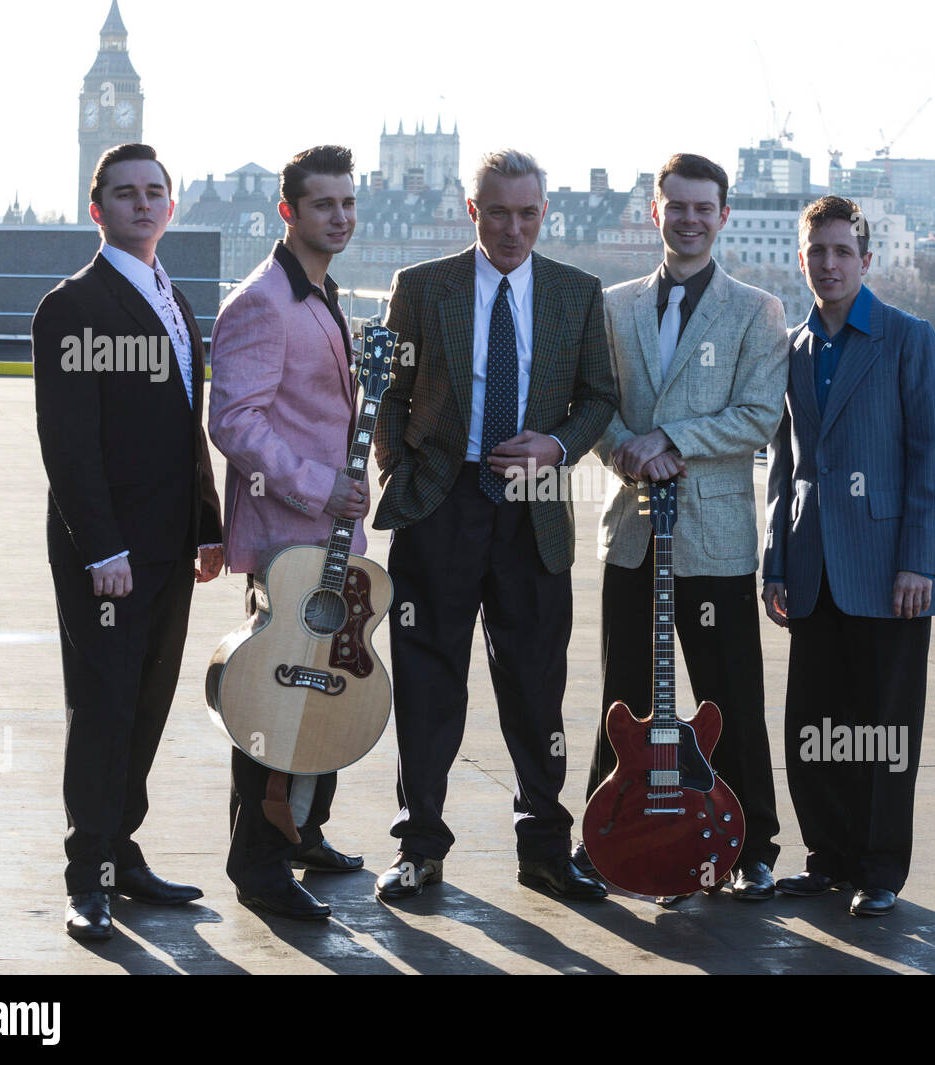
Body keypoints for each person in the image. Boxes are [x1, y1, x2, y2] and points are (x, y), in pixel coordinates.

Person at [372, 149, 616, 901]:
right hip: (441, 506)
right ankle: (420, 847)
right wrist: (398, 471)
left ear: (546, 212)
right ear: (471, 210)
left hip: (532, 514)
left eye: (528, 213)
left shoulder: (577, 293)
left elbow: (599, 399)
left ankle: (545, 846)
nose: (514, 228)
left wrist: (557, 446)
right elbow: (392, 391)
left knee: (537, 688)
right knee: (427, 684)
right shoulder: (423, 287)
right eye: (499, 212)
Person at [576, 153, 788, 900]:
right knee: (624, 694)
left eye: (705, 207)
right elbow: (594, 404)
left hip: (713, 536)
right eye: (678, 206)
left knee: (730, 694)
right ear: (655, 211)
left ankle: (754, 843)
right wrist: (627, 451)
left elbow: (760, 415)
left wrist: (669, 439)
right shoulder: (613, 305)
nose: (690, 219)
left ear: (723, 215)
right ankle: (604, 834)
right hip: (632, 529)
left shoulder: (758, 310)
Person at [32, 143, 223, 941]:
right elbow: (67, 442)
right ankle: (89, 876)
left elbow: (187, 428)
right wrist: (101, 548)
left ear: (170, 206)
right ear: (97, 207)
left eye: (155, 192)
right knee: (105, 707)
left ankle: (123, 850)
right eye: (126, 193)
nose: (143, 204)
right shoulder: (73, 304)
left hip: (171, 546)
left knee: (147, 704)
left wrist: (207, 528)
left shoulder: (173, 298)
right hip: (106, 554)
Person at [762, 195, 935, 917]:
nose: (830, 263)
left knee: (882, 726)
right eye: (817, 251)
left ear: (866, 260)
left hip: (888, 571)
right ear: (802, 258)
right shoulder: (792, 346)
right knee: (815, 723)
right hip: (812, 566)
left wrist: (923, 561)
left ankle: (879, 868)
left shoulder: (909, 339)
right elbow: (783, 464)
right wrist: (775, 562)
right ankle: (829, 856)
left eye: (843, 251)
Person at [207, 145, 370, 921]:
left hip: (331, 537)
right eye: (322, 205)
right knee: (274, 694)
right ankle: (258, 862)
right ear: (289, 212)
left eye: (346, 202)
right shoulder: (262, 302)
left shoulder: (322, 292)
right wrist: (319, 484)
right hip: (288, 536)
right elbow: (232, 421)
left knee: (329, 682)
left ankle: (305, 831)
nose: (338, 216)